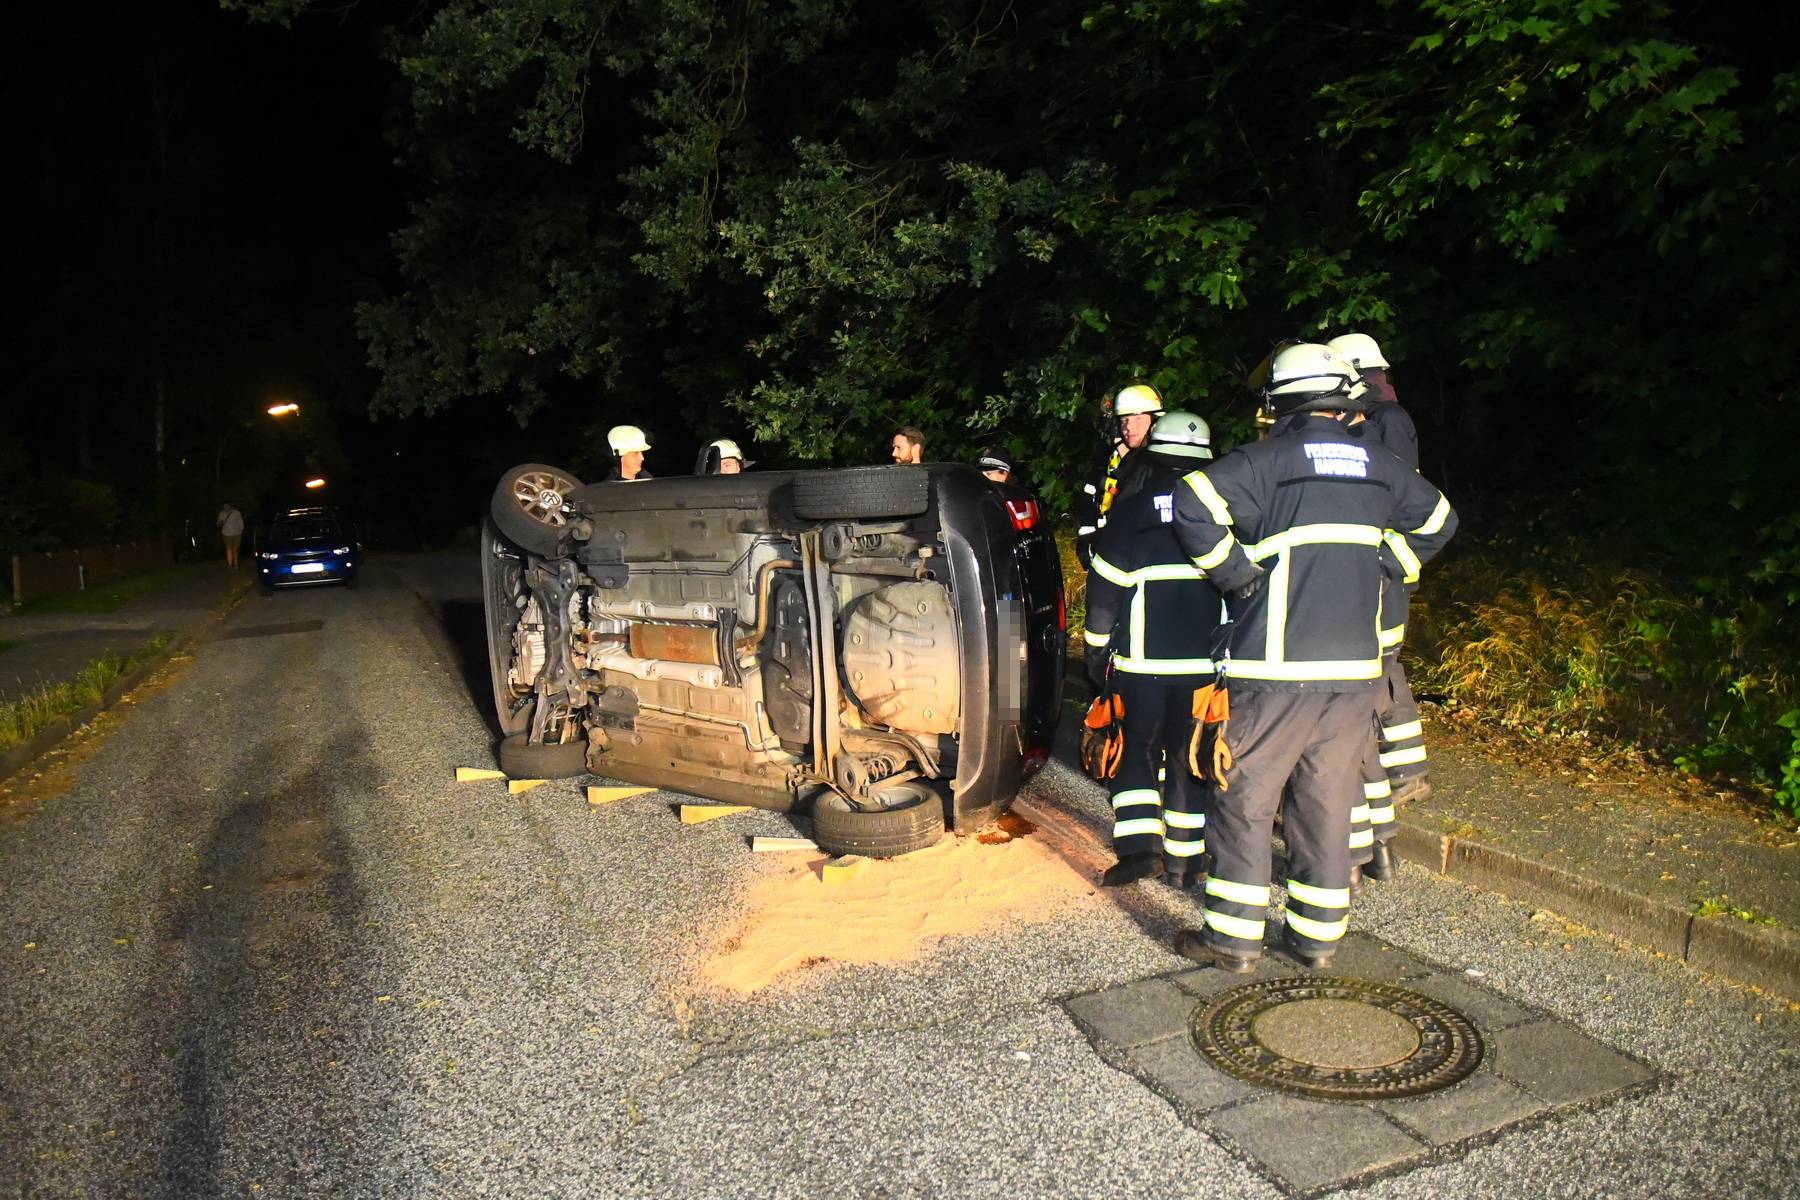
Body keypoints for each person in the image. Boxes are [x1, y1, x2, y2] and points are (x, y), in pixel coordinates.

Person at [1169, 343, 1456, 971]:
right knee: (1327, 805)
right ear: (1340, 399)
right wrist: (1394, 565)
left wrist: (1236, 576)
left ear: (1280, 402)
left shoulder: (1264, 461)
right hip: (1354, 675)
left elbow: (1191, 504)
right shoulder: (1379, 464)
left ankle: (1232, 940)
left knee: (1245, 802)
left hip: (1273, 673)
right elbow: (1440, 520)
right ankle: (1317, 940)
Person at [1083, 411, 1225, 888]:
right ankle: (1187, 861)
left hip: (1141, 664)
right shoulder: (1227, 509)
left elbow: (1104, 587)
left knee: (1136, 753)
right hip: (1205, 665)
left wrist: (1095, 651)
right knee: (1191, 755)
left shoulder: (1132, 509)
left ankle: (1140, 852)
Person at [1329, 332, 1432, 882]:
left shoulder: (1382, 422)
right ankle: (1400, 780)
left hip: (1376, 572)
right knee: (1383, 675)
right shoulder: (1386, 414)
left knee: (1372, 687)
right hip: (1381, 571)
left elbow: (1392, 498)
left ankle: (1399, 780)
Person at [1073, 383, 1163, 568]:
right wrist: (1086, 537)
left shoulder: (1161, 460)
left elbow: (1136, 473)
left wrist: (1120, 445)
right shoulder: (1107, 457)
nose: (1129, 427)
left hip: (1144, 556)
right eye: (1123, 421)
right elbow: (1089, 494)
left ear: (1155, 421)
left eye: (1138, 419)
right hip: (1109, 549)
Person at [216, 502, 245, 569]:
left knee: (235, 549)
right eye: (224, 506)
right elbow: (218, 524)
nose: (225, 507)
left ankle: (236, 564)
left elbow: (241, 523)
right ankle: (230, 564)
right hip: (226, 534)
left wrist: (241, 530)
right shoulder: (221, 513)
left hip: (237, 534)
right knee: (228, 549)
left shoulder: (236, 513)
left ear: (230, 506)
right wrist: (220, 523)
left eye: (227, 506)